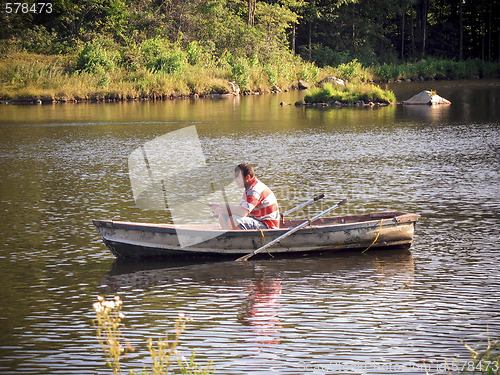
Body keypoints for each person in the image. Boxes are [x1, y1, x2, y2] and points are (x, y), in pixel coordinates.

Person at [210, 163, 280, 230]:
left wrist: (221, 210)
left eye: (238, 178)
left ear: (248, 177)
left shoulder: (254, 191)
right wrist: (220, 206)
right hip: (257, 220)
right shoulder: (249, 188)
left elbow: (243, 212)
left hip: (267, 226)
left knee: (233, 220)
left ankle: (237, 240)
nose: (236, 181)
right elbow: (240, 209)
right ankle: (228, 239)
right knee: (223, 216)